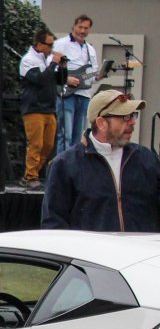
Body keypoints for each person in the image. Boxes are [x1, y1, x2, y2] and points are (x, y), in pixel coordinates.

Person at [43, 90, 160, 232]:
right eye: (125, 117)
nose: (133, 122)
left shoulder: (146, 159)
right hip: (89, 253)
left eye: (133, 115)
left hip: (142, 253)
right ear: (102, 123)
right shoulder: (65, 165)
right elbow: (54, 226)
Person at [19, 28, 65, 188]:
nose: (52, 48)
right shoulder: (28, 60)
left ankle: (34, 173)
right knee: (35, 144)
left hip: (49, 108)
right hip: (34, 108)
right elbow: (40, 79)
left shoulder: (47, 60)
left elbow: (59, 81)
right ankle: (30, 176)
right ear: (39, 44)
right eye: (49, 45)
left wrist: (62, 67)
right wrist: (53, 64)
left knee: (48, 145)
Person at [53, 14, 98, 155]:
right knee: (65, 135)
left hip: (84, 94)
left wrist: (100, 75)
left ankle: (74, 166)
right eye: (80, 27)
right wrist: (66, 78)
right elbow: (51, 66)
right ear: (74, 27)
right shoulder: (61, 43)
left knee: (78, 137)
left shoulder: (90, 49)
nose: (83, 31)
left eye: (86, 28)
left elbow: (93, 74)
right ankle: (62, 168)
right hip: (67, 94)